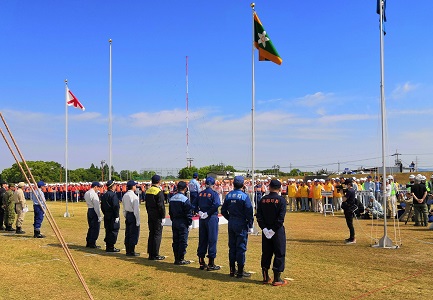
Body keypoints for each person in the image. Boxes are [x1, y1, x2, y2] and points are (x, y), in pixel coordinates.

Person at [256, 179, 287, 286]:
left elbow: (259, 216)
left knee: (266, 253)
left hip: (266, 230)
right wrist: (273, 230)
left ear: (269, 187)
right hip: (277, 230)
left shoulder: (262, 200)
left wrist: (264, 228)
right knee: (279, 252)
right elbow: (280, 218)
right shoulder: (281, 200)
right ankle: (277, 278)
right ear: (279, 188)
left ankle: (265, 276)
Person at [221, 176, 253, 278]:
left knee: (232, 246)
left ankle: (232, 270)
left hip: (232, 222)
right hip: (241, 223)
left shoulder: (229, 195)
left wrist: (229, 218)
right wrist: (251, 225)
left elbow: (223, 210)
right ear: (243, 185)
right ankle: (240, 271)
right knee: (241, 247)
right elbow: (249, 211)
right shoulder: (244, 196)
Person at [196, 176, 221, 271]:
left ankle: (201, 261)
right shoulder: (214, 194)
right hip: (211, 217)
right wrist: (208, 213)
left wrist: (199, 212)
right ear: (213, 185)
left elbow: (193, 204)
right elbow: (216, 204)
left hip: (202, 218)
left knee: (202, 239)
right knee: (212, 239)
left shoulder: (200, 194)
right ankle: (211, 262)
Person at [169, 181, 193, 265]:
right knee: (183, 241)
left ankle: (176, 258)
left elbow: (170, 212)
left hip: (175, 221)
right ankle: (181, 258)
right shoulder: (185, 199)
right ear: (185, 188)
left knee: (175, 240)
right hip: (183, 222)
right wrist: (189, 223)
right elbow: (188, 213)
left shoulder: (172, 198)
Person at [144, 174, 166, 260]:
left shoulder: (148, 191)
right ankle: (155, 254)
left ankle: (150, 253)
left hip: (150, 214)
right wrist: (163, 216)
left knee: (151, 233)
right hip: (157, 216)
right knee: (157, 234)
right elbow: (161, 206)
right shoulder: (158, 191)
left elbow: (146, 204)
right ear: (159, 181)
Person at [101, 180, 121, 252]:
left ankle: (108, 246)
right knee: (113, 230)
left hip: (107, 215)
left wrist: (105, 213)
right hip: (112, 216)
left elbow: (102, 206)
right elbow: (115, 206)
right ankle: (111, 247)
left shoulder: (104, 195)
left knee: (108, 230)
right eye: (115, 185)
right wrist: (116, 216)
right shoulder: (113, 195)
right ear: (112, 186)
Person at [122, 180, 141, 256]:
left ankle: (128, 250)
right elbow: (136, 210)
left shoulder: (125, 195)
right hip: (133, 215)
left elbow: (123, 208)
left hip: (128, 214)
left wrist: (126, 215)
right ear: (133, 186)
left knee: (128, 233)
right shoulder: (134, 196)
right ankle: (131, 251)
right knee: (133, 233)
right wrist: (138, 220)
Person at [84, 181, 102, 248]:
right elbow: (96, 207)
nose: (98, 189)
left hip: (89, 209)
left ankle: (88, 242)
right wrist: (99, 215)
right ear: (95, 187)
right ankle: (92, 243)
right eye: (98, 187)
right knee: (95, 228)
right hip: (94, 211)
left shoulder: (87, 193)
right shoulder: (94, 194)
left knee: (91, 227)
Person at [341, 180, 356, 244]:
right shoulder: (351, 190)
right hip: (349, 207)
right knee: (349, 223)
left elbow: (344, 199)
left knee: (350, 224)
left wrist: (342, 193)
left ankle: (352, 238)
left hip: (349, 208)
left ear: (349, 184)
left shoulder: (350, 191)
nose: (345, 186)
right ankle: (351, 237)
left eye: (346, 184)